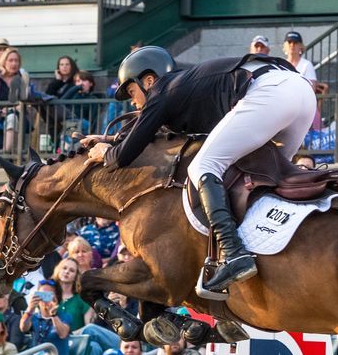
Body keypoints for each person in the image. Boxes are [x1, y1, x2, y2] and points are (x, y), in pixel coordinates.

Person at [91, 44, 317, 294]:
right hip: (301, 92)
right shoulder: (184, 88)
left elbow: (123, 157)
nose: (133, 101)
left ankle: (233, 253)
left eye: (132, 91)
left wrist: (106, 152)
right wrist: (110, 141)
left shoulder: (162, 90)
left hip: (269, 93)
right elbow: (154, 138)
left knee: (203, 166)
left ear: (149, 79)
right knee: (265, 177)